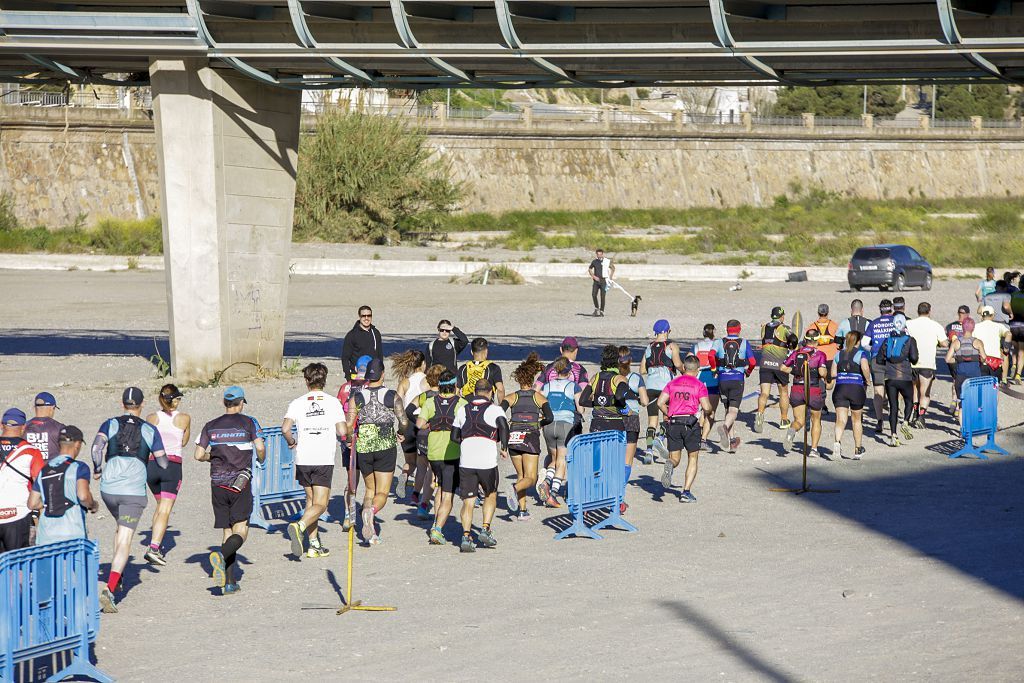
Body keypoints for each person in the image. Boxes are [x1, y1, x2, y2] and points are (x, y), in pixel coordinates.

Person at [91, 387, 168, 613]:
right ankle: (111, 588)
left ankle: (119, 571)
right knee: (125, 538)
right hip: (132, 493)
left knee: (119, 527)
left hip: (108, 491)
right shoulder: (149, 429)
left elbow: (97, 447)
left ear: (122, 403)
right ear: (142, 404)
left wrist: (97, 469)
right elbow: (163, 462)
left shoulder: (110, 423)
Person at [195, 386, 265, 597]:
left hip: (217, 483)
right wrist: (261, 458)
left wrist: (213, 457)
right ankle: (220, 555)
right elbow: (260, 448)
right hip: (239, 483)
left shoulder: (211, 425)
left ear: (224, 402)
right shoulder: (249, 422)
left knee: (227, 531)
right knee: (241, 530)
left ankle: (229, 582)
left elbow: (198, 454)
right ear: (241, 402)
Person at [283, 363, 346, 560]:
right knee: (321, 504)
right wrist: (350, 436)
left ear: (306, 380)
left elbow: (285, 428)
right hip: (322, 457)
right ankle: (300, 525)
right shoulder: (332, 402)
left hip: (303, 458)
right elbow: (342, 431)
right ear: (324, 380)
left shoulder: (297, 402)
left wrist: (292, 441)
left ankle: (314, 545)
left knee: (311, 502)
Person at [347, 358, 407, 546]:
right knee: (382, 491)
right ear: (382, 374)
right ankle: (371, 512)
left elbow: (349, 425)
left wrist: (350, 440)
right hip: (385, 444)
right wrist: (400, 433)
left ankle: (369, 529)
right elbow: (404, 421)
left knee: (369, 489)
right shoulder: (392, 395)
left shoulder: (356, 397)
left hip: (364, 445)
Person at [451, 379, 509, 552]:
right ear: (490, 392)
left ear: (475, 392)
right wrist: (504, 447)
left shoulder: (462, 409)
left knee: (468, 501)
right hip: (487, 461)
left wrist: (467, 440)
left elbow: (454, 436)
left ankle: (466, 536)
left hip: (467, 461)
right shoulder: (495, 409)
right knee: (490, 494)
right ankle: (485, 528)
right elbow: (504, 427)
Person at [143, 384, 190, 566]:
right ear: (175, 400)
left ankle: (155, 544)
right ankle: (154, 548)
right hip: (172, 466)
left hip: (152, 465)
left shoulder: (151, 417)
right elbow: (184, 442)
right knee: (165, 509)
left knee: (160, 506)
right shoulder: (184, 418)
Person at [501, 354, 552, 520]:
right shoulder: (538, 397)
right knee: (531, 477)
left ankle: (522, 511)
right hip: (529, 437)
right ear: (532, 378)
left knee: (521, 475)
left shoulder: (511, 397)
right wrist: (538, 423)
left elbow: (499, 413)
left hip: (513, 437)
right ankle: (514, 488)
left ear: (518, 378)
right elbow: (549, 417)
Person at [417, 370, 466, 544]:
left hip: (434, 452)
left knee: (439, 487)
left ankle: (436, 524)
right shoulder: (461, 403)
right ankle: (437, 530)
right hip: (452, 453)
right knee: (448, 494)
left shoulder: (431, 402)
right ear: (455, 385)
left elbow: (419, 424)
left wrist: (432, 423)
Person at [28, 425, 97, 545]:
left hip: (46, 534)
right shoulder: (79, 467)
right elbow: (83, 496)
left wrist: (49, 501)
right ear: (77, 444)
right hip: (72, 532)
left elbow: (32, 503)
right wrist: (93, 504)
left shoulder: (44, 469)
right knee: (75, 564)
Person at [657, 355, 713, 503]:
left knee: (675, 458)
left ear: (684, 368)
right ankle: (686, 492)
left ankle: (670, 464)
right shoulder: (699, 385)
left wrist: (668, 413)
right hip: (690, 424)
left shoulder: (673, 383)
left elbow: (660, 402)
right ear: (698, 369)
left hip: (674, 422)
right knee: (692, 457)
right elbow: (707, 407)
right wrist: (708, 412)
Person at [539, 358, 583, 507]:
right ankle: (553, 493)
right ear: (570, 372)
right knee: (562, 460)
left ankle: (546, 481)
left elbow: (540, 402)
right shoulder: (574, 386)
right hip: (566, 425)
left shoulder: (547, 386)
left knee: (553, 458)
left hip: (549, 424)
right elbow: (580, 408)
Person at [0, 408, 44, 553]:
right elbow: (40, 484)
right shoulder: (32, 452)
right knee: (18, 565)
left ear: (1, 425)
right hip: (18, 514)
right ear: (24, 427)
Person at [781, 329, 830, 457]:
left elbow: (783, 368)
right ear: (817, 340)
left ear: (806, 339)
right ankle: (813, 449)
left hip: (797, 388)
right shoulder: (820, 354)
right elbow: (821, 373)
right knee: (816, 419)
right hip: (813, 388)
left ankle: (792, 430)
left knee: (799, 420)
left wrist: (797, 370)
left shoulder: (797, 353)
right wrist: (826, 376)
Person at [710, 320, 756, 453]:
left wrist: (714, 369)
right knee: (734, 411)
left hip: (722, 380)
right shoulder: (744, 342)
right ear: (739, 329)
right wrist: (748, 372)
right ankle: (724, 427)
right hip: (737, 380)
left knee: (728, 409)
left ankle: (731, 441)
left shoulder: (719, 342)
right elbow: (752, 362)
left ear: (727, 329)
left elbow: (711, 355)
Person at [336, 354, 371, 530]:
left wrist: (344, 438)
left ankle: (348, 515)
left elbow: (338, 416)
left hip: (348, 439)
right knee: (370, 483)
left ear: (356, 369)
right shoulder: (372, 387)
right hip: (366, 439)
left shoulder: (344, 388)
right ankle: (365, 515)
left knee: (352, 481)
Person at [640, 320, 683, 457]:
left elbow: (642, 370)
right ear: (666, 331)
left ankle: (649, 450)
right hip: (666, 387)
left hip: (650, 386)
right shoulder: (671, 346)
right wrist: (685, 372)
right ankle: (661, 438)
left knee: (652, 420)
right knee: (668, 416)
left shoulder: (648, 347)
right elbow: (677, 364)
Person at [391, 350, 428, 501]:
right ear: (424, 364)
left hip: (406, 425)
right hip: (422, 422)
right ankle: (419, 496)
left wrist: (400, 426)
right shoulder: (428, 381)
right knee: (424, 463)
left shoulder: (405, 382)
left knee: (410, 462)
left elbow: (397, 405)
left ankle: (404, 475)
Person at [877, 316, 919, 447]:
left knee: (893, 406)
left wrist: (889, 362)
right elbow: (914, 358)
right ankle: (906, 421)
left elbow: (879, 359)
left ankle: (893, 435)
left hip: (890, 378)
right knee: (909, 400)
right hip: (905, 377)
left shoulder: (888, 340)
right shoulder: (910, 340)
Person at [905, 302, 948, 429]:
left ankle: (914, 412)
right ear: (930, 311)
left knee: (914, 390)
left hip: (911, 362)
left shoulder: (909, 324)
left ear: (917, 311)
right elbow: (945, 343)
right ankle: (921, 416)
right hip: (927, 363)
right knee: (925, 392)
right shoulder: (936, 325)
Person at [617, 345, 648, 510]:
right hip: (631, 419)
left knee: (613, 458)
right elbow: (644, 401)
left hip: (615, 417)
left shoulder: (613, 377)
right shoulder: (636, 377)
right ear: (631, 360)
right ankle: (620, 496)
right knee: (627, 461)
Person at [832, 331, 871, 460]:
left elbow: (833, 373)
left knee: (841, 419)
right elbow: (865, 368)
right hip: (855, 388)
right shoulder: (861, 354)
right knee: (856, 420)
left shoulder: (838, 354)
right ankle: (857, 449)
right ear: (858, 342)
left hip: (840, 388)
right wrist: (867, 380)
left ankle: (837, 444)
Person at [861, 299, 898, 433]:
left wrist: (873, 350)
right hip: (894, 359)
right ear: (891, 309)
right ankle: (894, 416)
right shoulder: (897, 321)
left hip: (877, 359)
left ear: (880, 309)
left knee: (878, 391)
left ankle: (879, 420)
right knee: (894, 389)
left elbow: (864, 343)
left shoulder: (874, 323)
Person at [754, 306, 793, 433]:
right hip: (779, 365)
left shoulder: (764, 327)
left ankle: (759, 414)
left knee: (764, 392)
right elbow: (793, 343)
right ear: (782, 316)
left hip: (765, 363)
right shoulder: (785, 328)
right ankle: (784, 419)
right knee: (783, 392)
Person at [945, 317, 986, 417]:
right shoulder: (978, 342)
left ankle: (962, 429)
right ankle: (972, 425)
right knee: (974, 401)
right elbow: (984, 358)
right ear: (973, 328)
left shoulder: (956, 343)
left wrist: (958, 360)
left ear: (962, 328)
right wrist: (979, 360)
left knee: (961, 404)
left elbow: (947, 359)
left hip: (961, 376)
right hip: (974, 375)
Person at [693, 324, 719, 448]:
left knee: (700, 410)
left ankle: (697, 434)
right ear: (713, 332)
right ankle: (703, 439)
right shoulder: (717, 345)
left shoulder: (697, 346)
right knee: (710, 411)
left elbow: (688, 360)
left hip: (699, 379)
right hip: (713, 379)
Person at [458, 337, 505, 404]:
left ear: (471, 352)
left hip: (468, 407)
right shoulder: (493, 367)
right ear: (486, 351)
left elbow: (456, 392)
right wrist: (502, 408)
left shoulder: (463, 368)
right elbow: (500, 389)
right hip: (486, 406)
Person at [341, 305, 383, 378]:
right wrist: (348, 375)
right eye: (363, 316)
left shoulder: (376, 333)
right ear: (359, 316)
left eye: (369, 315)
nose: (366, 318)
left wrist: (381, 372)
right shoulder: (351, 335)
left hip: (373, 375)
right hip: (356, 376)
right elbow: (345, 357)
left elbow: (380, 355)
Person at [946, 304, 974, 408]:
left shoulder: (950, 326)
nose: (961, 315)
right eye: (961, 313)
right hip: (961, 357)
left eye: (962, 313)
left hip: (957, 356)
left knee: (956, 379)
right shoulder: (970, 326)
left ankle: (954, 400)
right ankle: (958, 403)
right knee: (961, 379)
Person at [974, 305, 1011, 384]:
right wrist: (1006, 349)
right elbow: (1009, 334)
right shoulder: (999, 326)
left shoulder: (975, 327)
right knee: (994, 388)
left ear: (982, 315)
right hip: (995, 363)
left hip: (981, 361)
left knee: (982, 387)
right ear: (993, 315)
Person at [25, 392, 64, 461]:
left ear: (34, 407)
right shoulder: (59, 428)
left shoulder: (22, 427)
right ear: (52, 407)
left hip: (29, 470)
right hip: (52, 470)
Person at [588, 248, 614, 317]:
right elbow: (590, 269)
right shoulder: (594, 261)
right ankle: (597, 309)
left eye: (600, 254)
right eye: (598, 254)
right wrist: (593, 276)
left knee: (602, 297)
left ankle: (602, 311)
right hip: (596, 282)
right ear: (596, 254)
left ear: (602, 254)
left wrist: (610, 276)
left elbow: (613, 268)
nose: (599, 255)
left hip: (604, 281)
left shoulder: (607, 261)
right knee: (593, 295)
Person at [1008, 286, 1024, 384]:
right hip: (1023, 326)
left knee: (1015, 348)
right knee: (1022, 352)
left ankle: (1013, 365)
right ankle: (1018, 374)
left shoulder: (1013, 295)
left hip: (1013, 325)